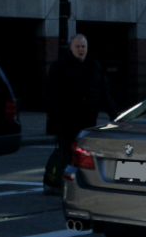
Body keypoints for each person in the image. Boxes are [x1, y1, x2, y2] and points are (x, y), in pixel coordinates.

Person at [46, 33, 118, 161]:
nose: (81, 50)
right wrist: (53, 121)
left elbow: (104, 92)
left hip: (89, 119)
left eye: (83, 46)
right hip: (67, 120)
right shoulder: (60, 67)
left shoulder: (95, 67)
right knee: (68, 154)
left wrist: (113, 113)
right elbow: (52, 95)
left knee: (85, 155)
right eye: (78, 46)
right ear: (71, 48)